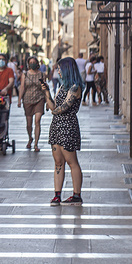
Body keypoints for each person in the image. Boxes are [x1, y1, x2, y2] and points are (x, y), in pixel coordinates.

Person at [45, 57, 84, 206]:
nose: (58, 71)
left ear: (67, 69)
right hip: (56, 126)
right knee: (58, 162)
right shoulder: (62, 87)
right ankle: (57, 195)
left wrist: (54, 110)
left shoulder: (75, 87)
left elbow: (62, 108)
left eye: (60, 68)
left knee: (71, 161)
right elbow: (52, 105)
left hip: (68, 126)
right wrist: (46, 92)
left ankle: (76, 195)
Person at [18, 56, 49, 152]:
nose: (32, 63)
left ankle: (36, 143)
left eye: (34, 62)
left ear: (37, 63)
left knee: (37, 121)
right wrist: (19, 99)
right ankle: (30, 138)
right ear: (28, 64)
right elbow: (22, 87)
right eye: (30, 62)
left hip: (39, 99)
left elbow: (45, 88)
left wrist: (48, 101)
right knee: (29, 123)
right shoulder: (25, 74)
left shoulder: (42, 74)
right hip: (27, 100)